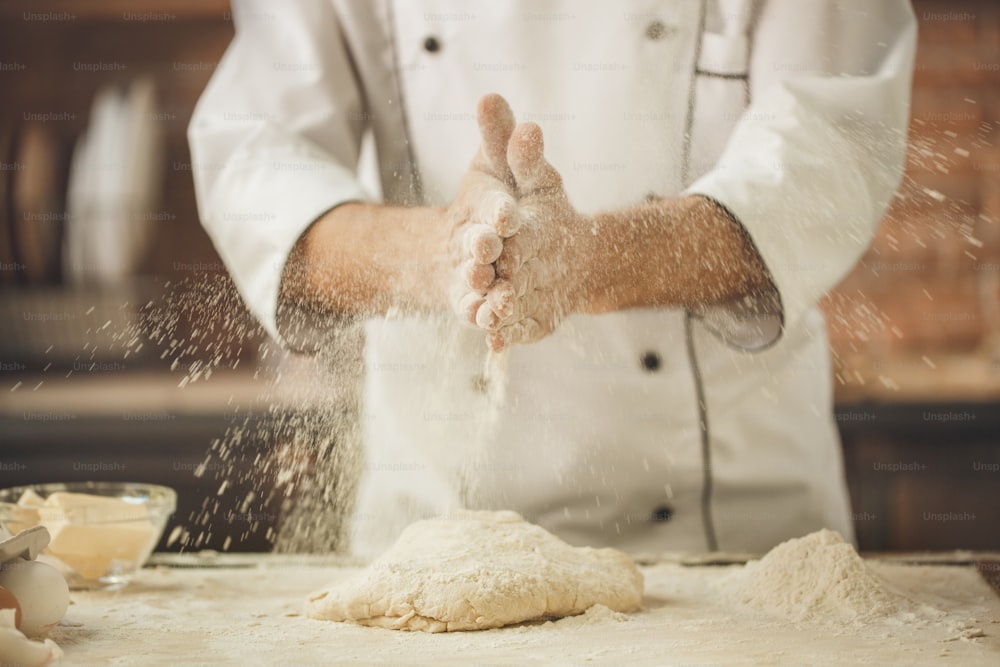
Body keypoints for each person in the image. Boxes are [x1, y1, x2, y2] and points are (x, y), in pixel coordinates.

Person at [189, 0, 917, 558]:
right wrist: (443, 252)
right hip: (431, 532)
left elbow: (831, 146)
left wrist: (587, 262)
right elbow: (256, 159)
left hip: (729, 537)